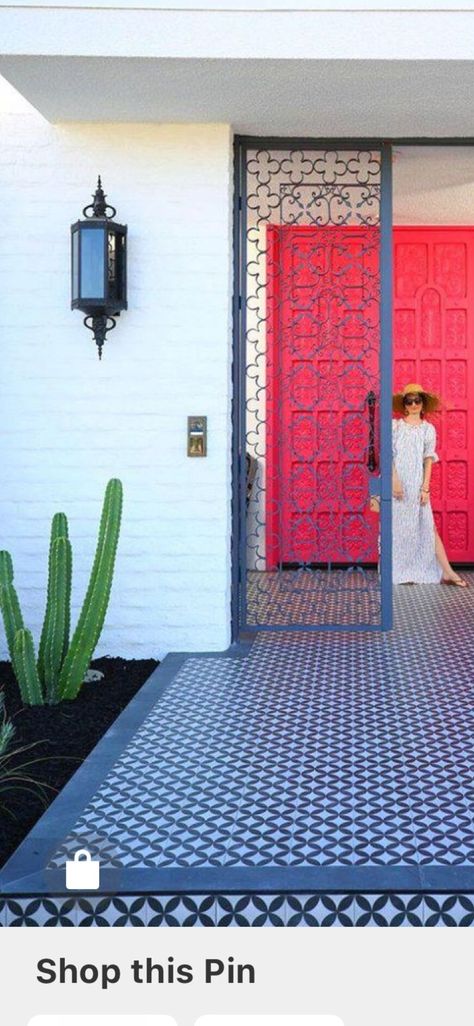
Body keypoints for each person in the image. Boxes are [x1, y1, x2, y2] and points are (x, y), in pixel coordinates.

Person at [391, 382, 468, 587]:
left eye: (418, 400)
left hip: (417, 484)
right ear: (404, 405)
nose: (414, 404)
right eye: (410, 401)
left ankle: (448, 572)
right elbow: (389, 455)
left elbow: (428, 459)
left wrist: (425, 487)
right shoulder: (395, 426)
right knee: (397, 528)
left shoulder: (428, 429)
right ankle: (399, 571)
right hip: (397, 484)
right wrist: (394, 479)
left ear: (423, 404)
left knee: (428, 527)